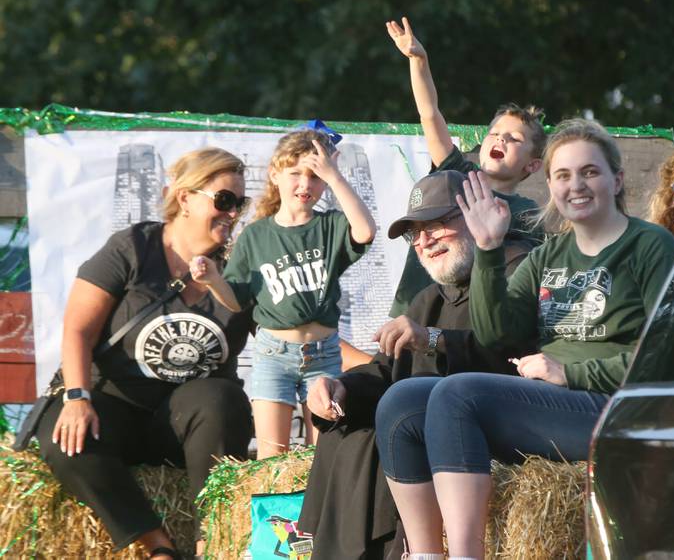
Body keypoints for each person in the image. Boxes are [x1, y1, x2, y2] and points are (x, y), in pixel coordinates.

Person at [374, 119, 674, 559]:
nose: (575, 185)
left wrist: (569, 371)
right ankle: (426, 554)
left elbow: (668, 357)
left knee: (458, 394)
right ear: (550, 186)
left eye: (589, 172)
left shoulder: (649, 247)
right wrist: (487, 246)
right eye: (562, 175)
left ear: (617, 179)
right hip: (553, 406)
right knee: (402, 403)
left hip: (617, 409)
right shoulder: (547, 256)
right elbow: (497, 334)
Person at [297, 170, 530, 560]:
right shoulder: (427, 297)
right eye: (415, 233)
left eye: (438, 225)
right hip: (419, 426)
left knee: (387, 431)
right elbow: (385, 372)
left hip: (484, 429)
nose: (424, 241)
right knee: (346, 429)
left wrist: (433, 339)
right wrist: (339, 388)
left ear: (478, 217)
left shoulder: (518, 274)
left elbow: (510, 355)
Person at [36, 147, 255, 559]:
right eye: (224, 200)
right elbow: (78, 329)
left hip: (187, 425)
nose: (232, 213)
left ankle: (212, 541)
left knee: (220, 397)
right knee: (61, 439)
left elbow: (294, 333)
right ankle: (158, 547)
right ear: (185, 197)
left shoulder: (240, 268)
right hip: (114, 409)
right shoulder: (134, 247)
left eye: (239, 204)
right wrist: (77, 398)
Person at [191, 129, 376, 459]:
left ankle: (316, 512)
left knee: (322, 456)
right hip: (273, 354)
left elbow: (365, 231)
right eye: (295, 174)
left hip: (323, 355)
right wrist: (213, 280)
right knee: (271, 457)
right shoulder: (256, 235)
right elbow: (237, 299)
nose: (305, 185)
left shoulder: (330, 225)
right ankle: (276, 512)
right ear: (275, 174)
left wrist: (334, 177)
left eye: (314, 177)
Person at [386, 16, 546, 317]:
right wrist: (418, 61)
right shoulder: (457, 175)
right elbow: (430, 114)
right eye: (495, 134)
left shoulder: (529, 215)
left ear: (534, 165)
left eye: (513, 138)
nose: (500, 140)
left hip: (466, 324)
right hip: (413, 312)